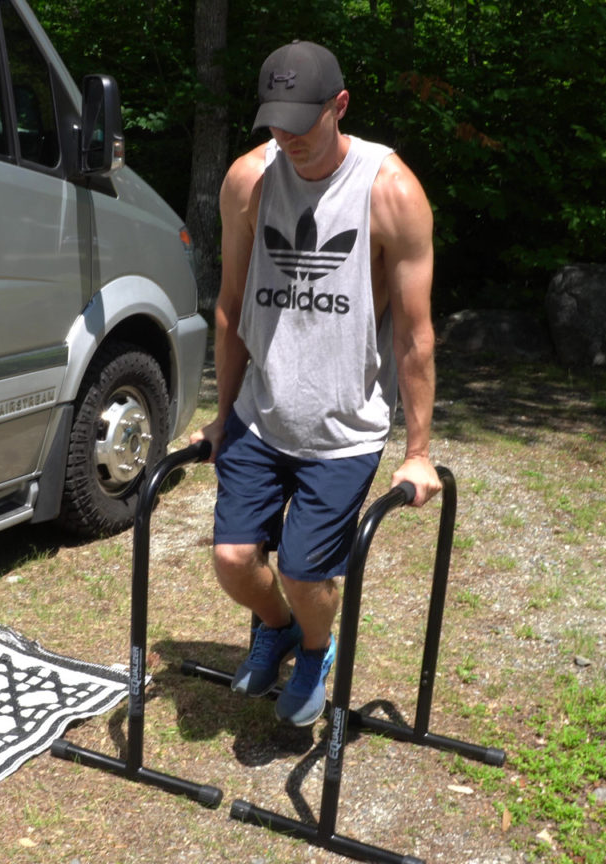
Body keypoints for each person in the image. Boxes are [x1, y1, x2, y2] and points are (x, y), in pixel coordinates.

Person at [190, 40, 439, 727]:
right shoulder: (249, 180)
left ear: (340, 105)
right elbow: (231, 307)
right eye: (275, 123)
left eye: (302, 122)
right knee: (233, 559)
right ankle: (275, 628)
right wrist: (221, 414)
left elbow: (414, 335)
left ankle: (313, 649)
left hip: (343, 428)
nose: (288, 137)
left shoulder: (389, 191)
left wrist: (418, 452)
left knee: (305, 572)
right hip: (262, 413)